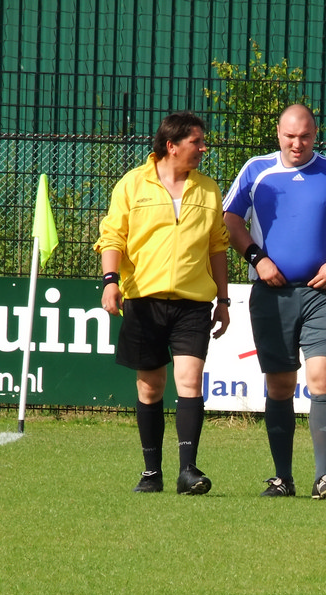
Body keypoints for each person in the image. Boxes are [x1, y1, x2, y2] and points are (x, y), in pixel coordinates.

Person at [222, 104, 326, 500]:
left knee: (322, 378)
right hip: (272, 296)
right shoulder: (256, 170)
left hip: (324, 295)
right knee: (281, 384)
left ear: (315, 134)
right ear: (278, 133)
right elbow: (230, 220)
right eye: (290, 136)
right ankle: (282, 478)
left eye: (304, 136)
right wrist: (257, 258)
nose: (297, 143)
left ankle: (324, 477)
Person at [94, 111, 230, 495]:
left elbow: (217, 247)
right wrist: (110, 281)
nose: (203, 148)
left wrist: (223, 300)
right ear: (172, 146)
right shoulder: (132, 184)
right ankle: (151, 472)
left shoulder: (208, 189)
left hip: (192, 304)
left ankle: (188, 471)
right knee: (150, 387)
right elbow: (112, 236)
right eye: (196, 142)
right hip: (144, 300)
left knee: (190, 381)